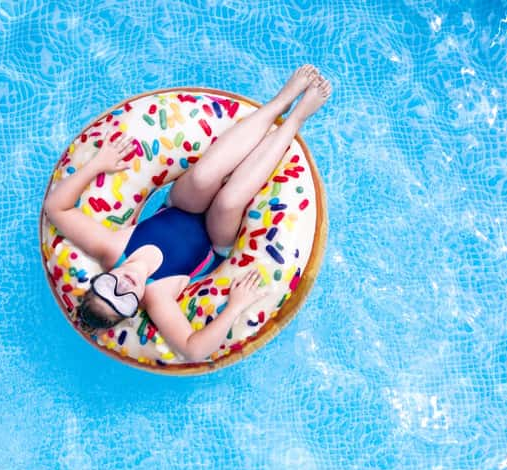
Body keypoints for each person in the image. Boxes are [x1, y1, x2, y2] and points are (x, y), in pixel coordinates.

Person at [43, 65, 332, 361]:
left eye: (108, 286)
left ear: (99, 278)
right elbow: (195, 350)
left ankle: (281, 100)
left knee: (202, 177)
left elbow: (56, 208)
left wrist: (97, 164)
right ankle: (297, 118)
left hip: (181, 206)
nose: (124, 287)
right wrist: (234, 306)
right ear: (131, 311)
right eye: (123, 301)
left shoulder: (110, 248)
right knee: (229, 201)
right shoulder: (157, 299)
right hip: (216, 239)